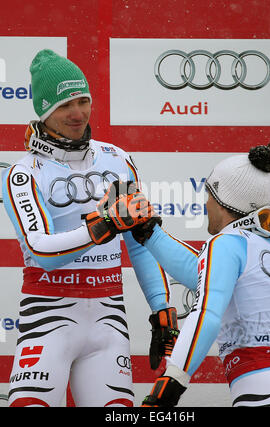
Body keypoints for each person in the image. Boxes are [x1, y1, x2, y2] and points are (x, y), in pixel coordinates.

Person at [1, 49, 179, 407]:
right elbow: (41, 251)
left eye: (84, 100)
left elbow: (141, 242)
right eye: (66, 104)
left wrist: (161, 307)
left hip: (107, 317)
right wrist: (104, 224)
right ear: (45, 110)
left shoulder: (118, 159)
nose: (78, 113)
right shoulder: (22, 173)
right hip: (47, 314)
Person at [104, 144, 270, 407]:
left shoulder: (226, 243)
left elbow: (207, 312)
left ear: (223, 202)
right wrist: (149, 232)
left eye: (209, 194)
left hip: (262, 389)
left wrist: (172, 380)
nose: (206, 203)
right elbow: (201, 273)